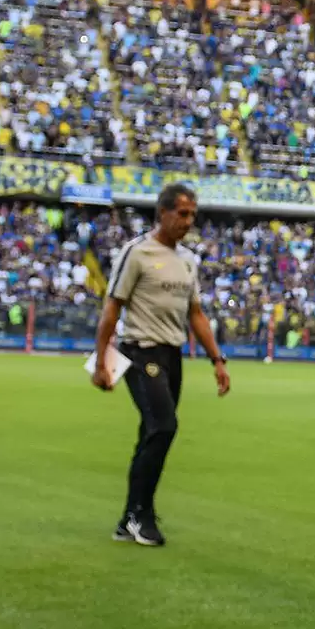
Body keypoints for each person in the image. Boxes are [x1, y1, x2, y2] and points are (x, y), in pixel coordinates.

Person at [90, 183, 231, 546]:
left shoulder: (188, 260)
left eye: (193, 215)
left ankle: (128, 518)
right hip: (140, 352)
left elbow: (195, 314)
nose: (188, 221)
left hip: (171, 355)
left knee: (151, 432)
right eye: (182, 213)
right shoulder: (136, 252)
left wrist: (217, 360)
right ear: (163, 213)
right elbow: (112, 307)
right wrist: (101, 361)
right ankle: (142, 514)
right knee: (164, 426)